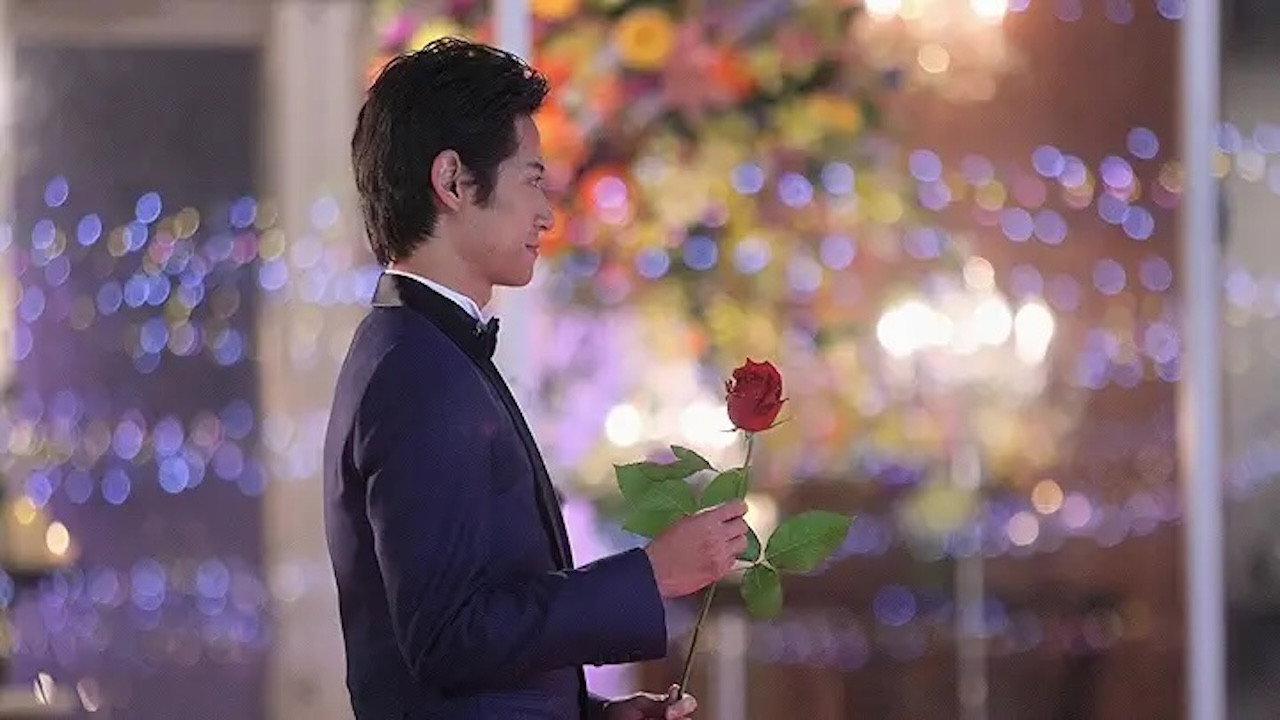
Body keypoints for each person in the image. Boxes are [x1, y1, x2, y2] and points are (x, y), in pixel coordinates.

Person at [324, 37, 750, 720]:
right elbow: (449, 638)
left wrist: (595, 715)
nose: (548, 214)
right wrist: (648, 576)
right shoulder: (417, 369)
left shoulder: (428, 348)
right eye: (531, 180)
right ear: (453, 182)